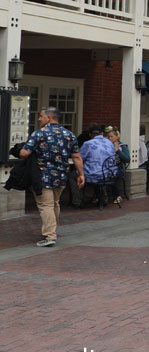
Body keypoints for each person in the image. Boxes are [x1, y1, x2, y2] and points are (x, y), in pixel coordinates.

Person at [21, 106, 84, 247]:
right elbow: (76, 156)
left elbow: (24, 153)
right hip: (61, 175)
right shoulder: (69, 134)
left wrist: (21, 150)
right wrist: (81, 174)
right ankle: (51, 230)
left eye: (40, 116)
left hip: (42, 176)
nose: (38, 119)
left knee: (46, 205)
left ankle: (50, 236)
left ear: (48, 117)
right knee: (55, 203)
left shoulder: (39, 133)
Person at [80, 127, 116, 208]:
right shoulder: (109, 142)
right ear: (102, 134)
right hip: (110, 174)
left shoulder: (88, 144)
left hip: (95, 175)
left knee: (73, 176)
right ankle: (102, 198)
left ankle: (77, 201)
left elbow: (80, 158)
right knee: (99, 174)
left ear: (90, 134)